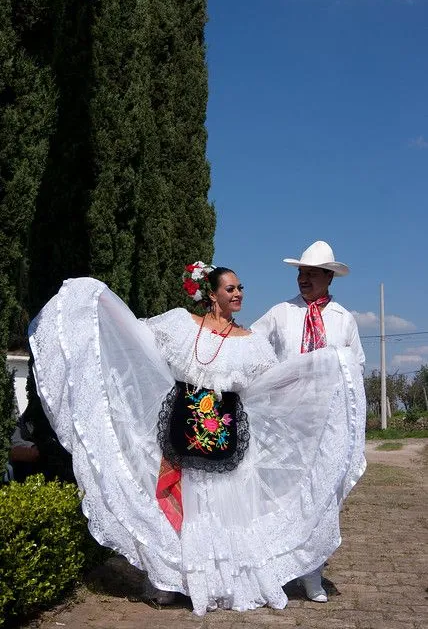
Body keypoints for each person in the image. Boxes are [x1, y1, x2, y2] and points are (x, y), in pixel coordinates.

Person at [29, 262, 366, 616]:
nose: (238, 294)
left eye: (240, 288)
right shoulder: (180, 323)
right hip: (182, 430)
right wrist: (103, 306)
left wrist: (327, 368)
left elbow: (270, 381)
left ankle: (221, 580)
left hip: (227, 437)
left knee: (222, 510)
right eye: (230, 289)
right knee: (181, 505)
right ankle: (173, 579)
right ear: (212, 293)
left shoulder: (251, 343)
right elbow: (139, 338)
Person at [251, 240, 366, 602]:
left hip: (325, 421)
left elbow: (356, 368)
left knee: (320, 494)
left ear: (328, 277)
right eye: (301, 273)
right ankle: (276, 566)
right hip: (283, 420)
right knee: (279, 493)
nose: (304, 279)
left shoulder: (343, 320)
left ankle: (312, 571)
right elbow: (251, 344)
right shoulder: (280, 313)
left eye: (311, 273)